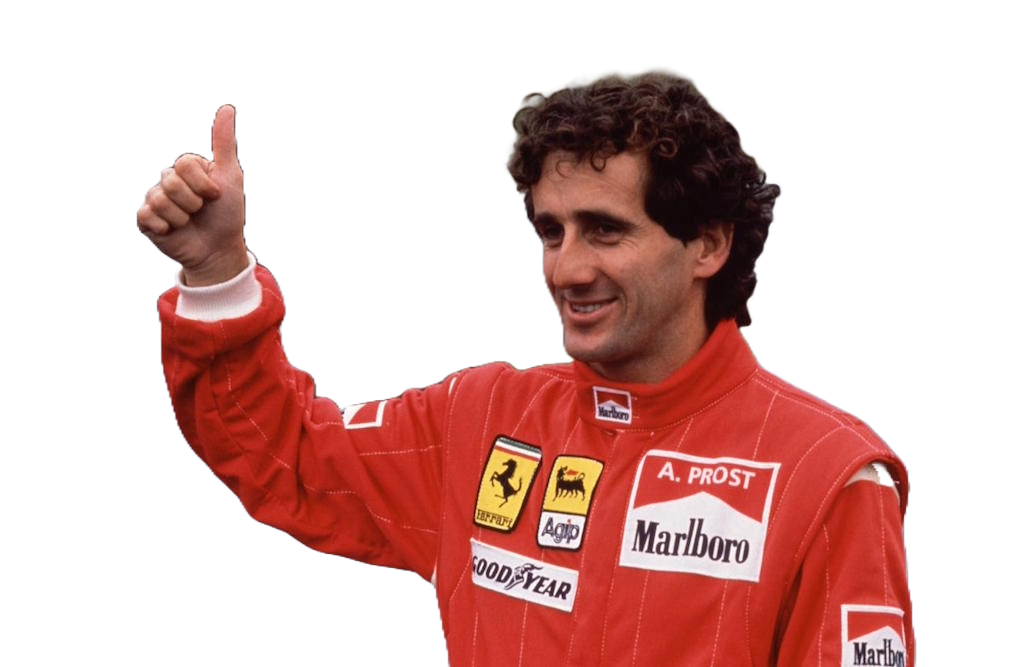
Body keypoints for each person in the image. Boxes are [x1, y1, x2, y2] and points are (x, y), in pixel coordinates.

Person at [139, 67, 913, 665]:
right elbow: (285, 456)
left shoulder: (828, 474)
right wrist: (216, 271)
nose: (566, 269)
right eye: (551, 231)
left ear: (707, 244)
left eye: (604, 230)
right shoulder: (480, 419)